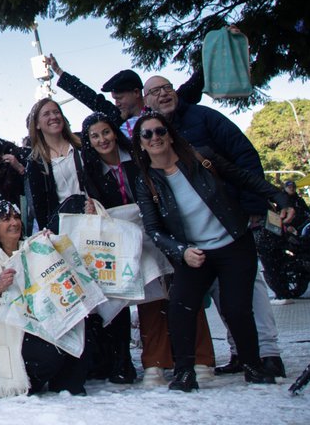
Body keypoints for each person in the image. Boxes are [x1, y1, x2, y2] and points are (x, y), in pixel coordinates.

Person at [132, 110, 294, 391]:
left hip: (233, 243)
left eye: (159, 131)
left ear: (170, 135)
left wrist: (279, 197)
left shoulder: (200, 157)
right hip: (195, 254)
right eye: (147, 134)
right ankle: (184, 372)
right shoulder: (146, 180)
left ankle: (253, 366)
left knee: (236, 309)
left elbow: (243, 177)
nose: (154, 137)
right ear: (141, 144)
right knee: (180, 308)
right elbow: (154, 228)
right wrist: (181, 251)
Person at [0, 201, 87, 396]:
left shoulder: (31, 246)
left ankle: (65, 383)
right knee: (48, 355)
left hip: (40, 321)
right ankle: (32, 380)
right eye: (6, 219)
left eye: (16, 217)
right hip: (13, 333)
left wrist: (51, 246)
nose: (14, 223)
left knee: (77, 322)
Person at [75, 113, 138, 384]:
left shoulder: (137, 160)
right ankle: (119, 361)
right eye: (95, 136)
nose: (102, 140)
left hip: (147, 231)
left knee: (158, 300)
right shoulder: (90, 171)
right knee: (116, 300)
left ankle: (163, 358)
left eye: (106, 132)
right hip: (114, 241)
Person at [44, 57, 203, 139]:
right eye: (114, 99)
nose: (116, 103)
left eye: (120, 97)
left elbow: (195, 83)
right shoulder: (117, 119)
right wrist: (59, 71)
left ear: (136, 92)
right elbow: (90, 97)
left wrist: (223, 44)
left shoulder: (163, 106)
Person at [24, 98, 92, 232]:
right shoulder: (36, 162)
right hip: (65, 228)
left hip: (93, 217)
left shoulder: (81, 145)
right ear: (37, 124)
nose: (53, 117)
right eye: (46, 114)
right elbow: (41, 206)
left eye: (56, 112)